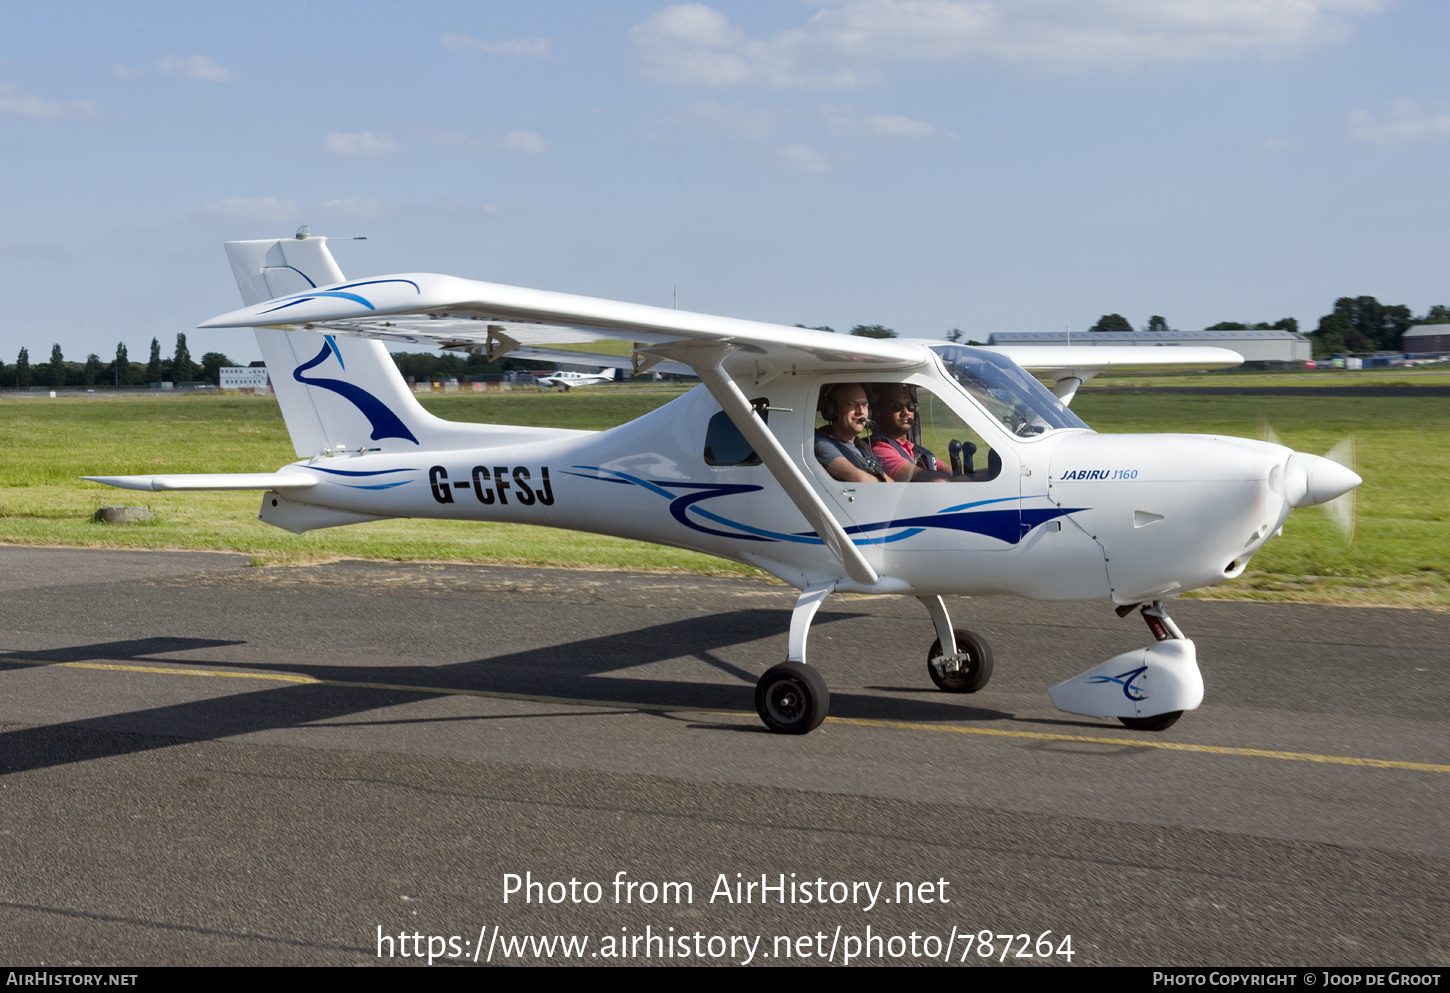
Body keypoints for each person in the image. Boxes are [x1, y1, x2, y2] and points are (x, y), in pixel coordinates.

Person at [868, 384, 952, 483]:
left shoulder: (913, 448)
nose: (906, 412)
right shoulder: (881, 450)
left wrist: (968, 475)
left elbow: (947, 469)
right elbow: (921, 476)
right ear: (879, 412)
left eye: (910, 406)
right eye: (897, 406)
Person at [814, 383, 889, 482]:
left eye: (864, 405)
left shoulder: (862, 446)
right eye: (851, 404)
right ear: (832, 410)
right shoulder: (821, 445)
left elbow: (889, 480)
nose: (861, 411)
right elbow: (860, 479)